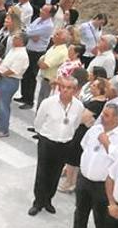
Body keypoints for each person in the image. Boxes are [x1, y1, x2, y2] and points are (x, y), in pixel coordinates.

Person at [30, 77, 85, 215]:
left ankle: (48, 200)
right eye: (63, 87)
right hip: (47, 141)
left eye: (69, 87)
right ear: (59, 87)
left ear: (75, 90)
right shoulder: (48, 103)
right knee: (42, 172)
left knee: (55, 173)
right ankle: (38, 202)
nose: (65, 90)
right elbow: (38, 121)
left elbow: (76, 124)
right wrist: (43, 134)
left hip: (65, 143)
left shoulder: (78, 106)